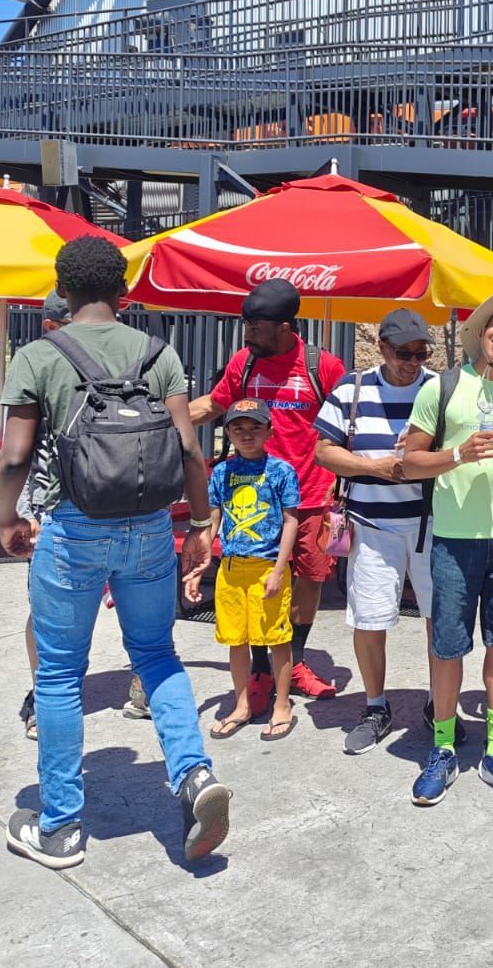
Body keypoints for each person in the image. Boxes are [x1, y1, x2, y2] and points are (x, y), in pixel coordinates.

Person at [0, 235, 230, 869]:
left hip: (71, 529)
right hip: (151, 529)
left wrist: (6, 517)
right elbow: (188, 452)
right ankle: (194, 775)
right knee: (156, 655)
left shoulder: (39, 355)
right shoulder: (158, 353)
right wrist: (202, 525)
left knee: (59, 674)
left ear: (62, 289)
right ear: (122, 290)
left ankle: (63, 826)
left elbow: (16, 454)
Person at [399, 290, 493, 806]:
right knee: (448, 648)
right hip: (454, 540)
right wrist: (457, 453)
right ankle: (442, 749)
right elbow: (408, 462)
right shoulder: (442, 387)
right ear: (483, 332)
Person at [192, 279, 347, 705]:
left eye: (255, 327)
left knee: (311, 581)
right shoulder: (244, 362)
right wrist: (163, 421)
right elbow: (215, 404)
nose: (247, 334)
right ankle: (261, 670)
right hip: (254, 498)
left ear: (284, 326)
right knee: (260, 581)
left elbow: (346, 426)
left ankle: (292, 661)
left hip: (313, 493)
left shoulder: (323, 367)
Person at [16, 293, 151, 742]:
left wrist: (17, 514)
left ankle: (44, 700)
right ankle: (144, 688)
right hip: (133, 507)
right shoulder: (141, 356)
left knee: (48, 618)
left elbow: (17, 454)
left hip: (62, 514)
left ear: (56, 324)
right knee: (143, 620)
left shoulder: (39, 362)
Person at [313, 309, 441, 755]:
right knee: (369, 619)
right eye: (404, 352)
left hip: (432, 523)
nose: (413, 361)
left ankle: (438, 706)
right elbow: (324, 452)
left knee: (438, 619)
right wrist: (376, 468)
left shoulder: (437, 389)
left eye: (422, 352)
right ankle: (375, 705)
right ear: (382, 347)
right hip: (371, 525)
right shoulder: (352, 388)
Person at [195, 398, 300, 742]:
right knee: (235, 639)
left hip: (268, 566)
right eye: (238, 428)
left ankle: (281, 704)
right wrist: (202, 559)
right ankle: (241, 704)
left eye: (255, 427)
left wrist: (278, 569)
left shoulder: (281, 471)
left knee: (276, 639)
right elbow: (214, 517)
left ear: (269, 431)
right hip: (231, 569)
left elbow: (290, 521)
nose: (247, 434)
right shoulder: (222, 472)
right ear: (227, 433)